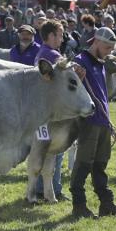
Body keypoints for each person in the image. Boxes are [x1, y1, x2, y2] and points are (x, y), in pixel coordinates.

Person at [70, 27, 116, 218]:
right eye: (106, 47)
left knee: (100, 164)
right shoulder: (79, 63)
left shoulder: (100, 63)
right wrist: (76, 78)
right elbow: (70, 89)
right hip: (89, 121)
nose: (109, 52)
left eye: (111, 48)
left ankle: (106, 204)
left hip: (103, 120)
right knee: (83, 164)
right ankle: (79, 206)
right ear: (96, 42)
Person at [34, 19, 70, 202]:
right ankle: (55, 189)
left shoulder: (41, 52)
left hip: (40, 112)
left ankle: (40, 189)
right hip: (53, 112)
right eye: (60, 35)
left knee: (43, 149)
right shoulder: (54, 55)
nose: (62, 39)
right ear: (51, 36)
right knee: (56, 152)